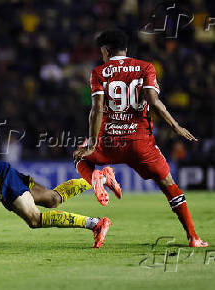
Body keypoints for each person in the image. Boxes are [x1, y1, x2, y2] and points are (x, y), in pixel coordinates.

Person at [73, 30, 208, 247]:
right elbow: (154, 102)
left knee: (80, 156)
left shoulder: (99, 72)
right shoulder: (146, 67)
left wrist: (92, 142)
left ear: (107, 51)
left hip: (110, 142)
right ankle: (193, 237)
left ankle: (97, 178)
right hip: (141, 144)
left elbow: (97, 109)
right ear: (125, 49)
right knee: (169, 186)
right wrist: (176, 126)